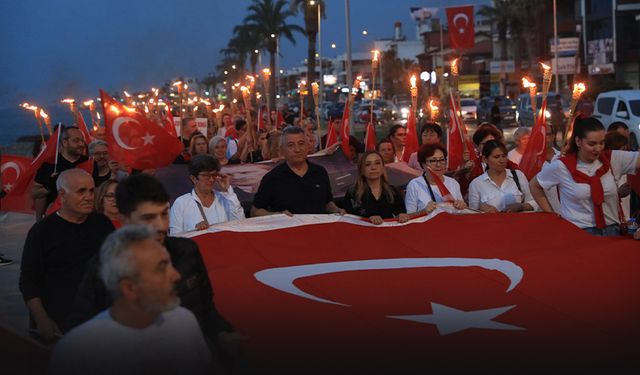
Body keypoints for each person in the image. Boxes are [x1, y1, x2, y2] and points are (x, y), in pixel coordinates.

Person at [66, 173, 242, 359]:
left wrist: (221, 333)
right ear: (125, 220)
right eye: (148, 217)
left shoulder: (187, 251)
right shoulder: (101, 266)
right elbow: (80, 328)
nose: (160, 225)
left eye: (164, 214)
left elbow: (206, 307)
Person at [49, 225, 212, 375]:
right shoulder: (76, 351)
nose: (176, 276)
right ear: (130, 288)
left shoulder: (185, 320)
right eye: (161, 268)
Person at [20, 169, 114, 344]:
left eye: (91, 191)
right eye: (81, 191)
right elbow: (29, 280)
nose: (89, 197)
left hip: (97, 324)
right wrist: (41, 318)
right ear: (62, 195)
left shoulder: (102, 224)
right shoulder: (41, 232)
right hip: (58, 327)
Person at [530, 117, 640, 236]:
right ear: (578, 141)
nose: (598, 149)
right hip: (578, 234)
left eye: (602, 143)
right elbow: (534, 185)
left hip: (612, 232)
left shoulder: (612, 159)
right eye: (592, 144)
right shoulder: (562, 166)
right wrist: (552, 215)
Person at [251, 126, 345, 216]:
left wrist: (337, 210)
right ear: (282, 150)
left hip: (318, 229)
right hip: (288, 230)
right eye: (291, 145)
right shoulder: (272, 178)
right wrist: (276, 216)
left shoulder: (320, 172)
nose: (297, 149)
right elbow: (255, 211)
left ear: (308, 146)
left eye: (301, 143)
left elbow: (327, 203)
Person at [170, 155, 245, 233]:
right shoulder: (181, 203)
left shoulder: (226, 198)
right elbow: (175, 237)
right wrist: (195, 232)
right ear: (193, 178)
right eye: (206, 175)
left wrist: (228, 191)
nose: (211, 179)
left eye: (214, 175)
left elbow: (241, 225)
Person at [32, 125, 88, 221]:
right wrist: (51, 185)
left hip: (83, 217)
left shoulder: (88, 163)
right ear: (65, 142)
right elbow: (35, 193)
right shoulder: (50, 164)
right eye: (76, 141)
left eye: (82, 141)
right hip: (56, 217)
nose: (81, 144)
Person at [468, 140, 536, 213]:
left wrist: (521, 206)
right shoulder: (476, 184)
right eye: (496, 157)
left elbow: (534, 202)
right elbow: (472, 213)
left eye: (504, 156)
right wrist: (482, 209)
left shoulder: (518, 176)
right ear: (485, 159)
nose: (502, 160)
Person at [343, 151, 409, 225]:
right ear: (361, 170)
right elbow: (347, 219)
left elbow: (401, 213)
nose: (373, 167)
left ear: (383, 167)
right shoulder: (353, 192)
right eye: (367, 164)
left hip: (388, 234)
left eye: (377, 163)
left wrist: (401, 215)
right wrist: (368, 219)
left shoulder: (393, 191)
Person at [405, 144, 467, 214]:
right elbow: (409, 216)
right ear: (423, 164)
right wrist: (424, 211)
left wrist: (462, 206)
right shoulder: (414, 185)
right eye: (433, 161)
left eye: (441, 159)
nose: (438, 165)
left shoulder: (453, 183)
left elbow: (462, 212)